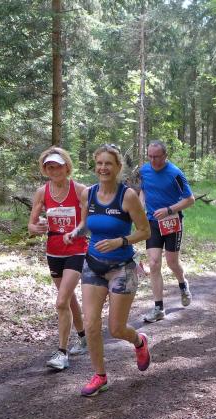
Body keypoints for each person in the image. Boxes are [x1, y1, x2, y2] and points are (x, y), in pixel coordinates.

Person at [63, 144, 152, 396]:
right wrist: (74, 233)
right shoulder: (88, 194)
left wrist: (120, 241)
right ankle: (100, 376)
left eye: (108, 164)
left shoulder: (128, 196)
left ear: (118, 167)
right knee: (91, 324)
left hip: (122, 268)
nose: (103, 168)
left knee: (116, 329)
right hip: (93, 264)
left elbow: (145, 231)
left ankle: (139, 341)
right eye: (99, 163)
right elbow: (85, 224)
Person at [27, 147, 88, 371]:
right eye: (50, 167)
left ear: (66, 167)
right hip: (53, 251)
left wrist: (75, 232)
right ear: (45, 170)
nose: (54, 171)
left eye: (58, 166)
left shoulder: (80, 190)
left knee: (61, 301)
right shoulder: (42, 192)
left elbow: (88, 223)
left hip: (76, 249)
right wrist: (37, 227)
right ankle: (83, 338)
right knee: (68, 299)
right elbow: (31, 225)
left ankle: (62, 353)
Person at [139, 140, 195, 323]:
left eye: (156, 157)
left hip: (172, 222)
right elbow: (143, 191)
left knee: (172, 262)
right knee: (154, 263)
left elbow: (190, 199)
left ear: (165, 156)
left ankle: (183, 284)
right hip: (152, 222)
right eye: (150, 156)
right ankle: (158, 308)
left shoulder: (175, 173)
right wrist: (140, 207)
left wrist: (169, 210)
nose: (153, 160)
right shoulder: (144, 171)